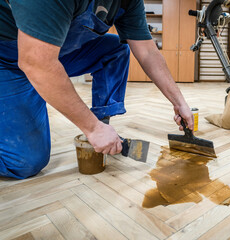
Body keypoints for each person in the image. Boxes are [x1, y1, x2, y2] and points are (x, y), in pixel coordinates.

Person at [0, 0, 194, 179]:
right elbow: (36, 62)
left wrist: (179, 102)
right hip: (8, 59)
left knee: (116, 50)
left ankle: (103, 127)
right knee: (25, 163)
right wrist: (91, 128)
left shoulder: (130, 1)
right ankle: (96, 129)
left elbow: (148, 51)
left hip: (53, 52)